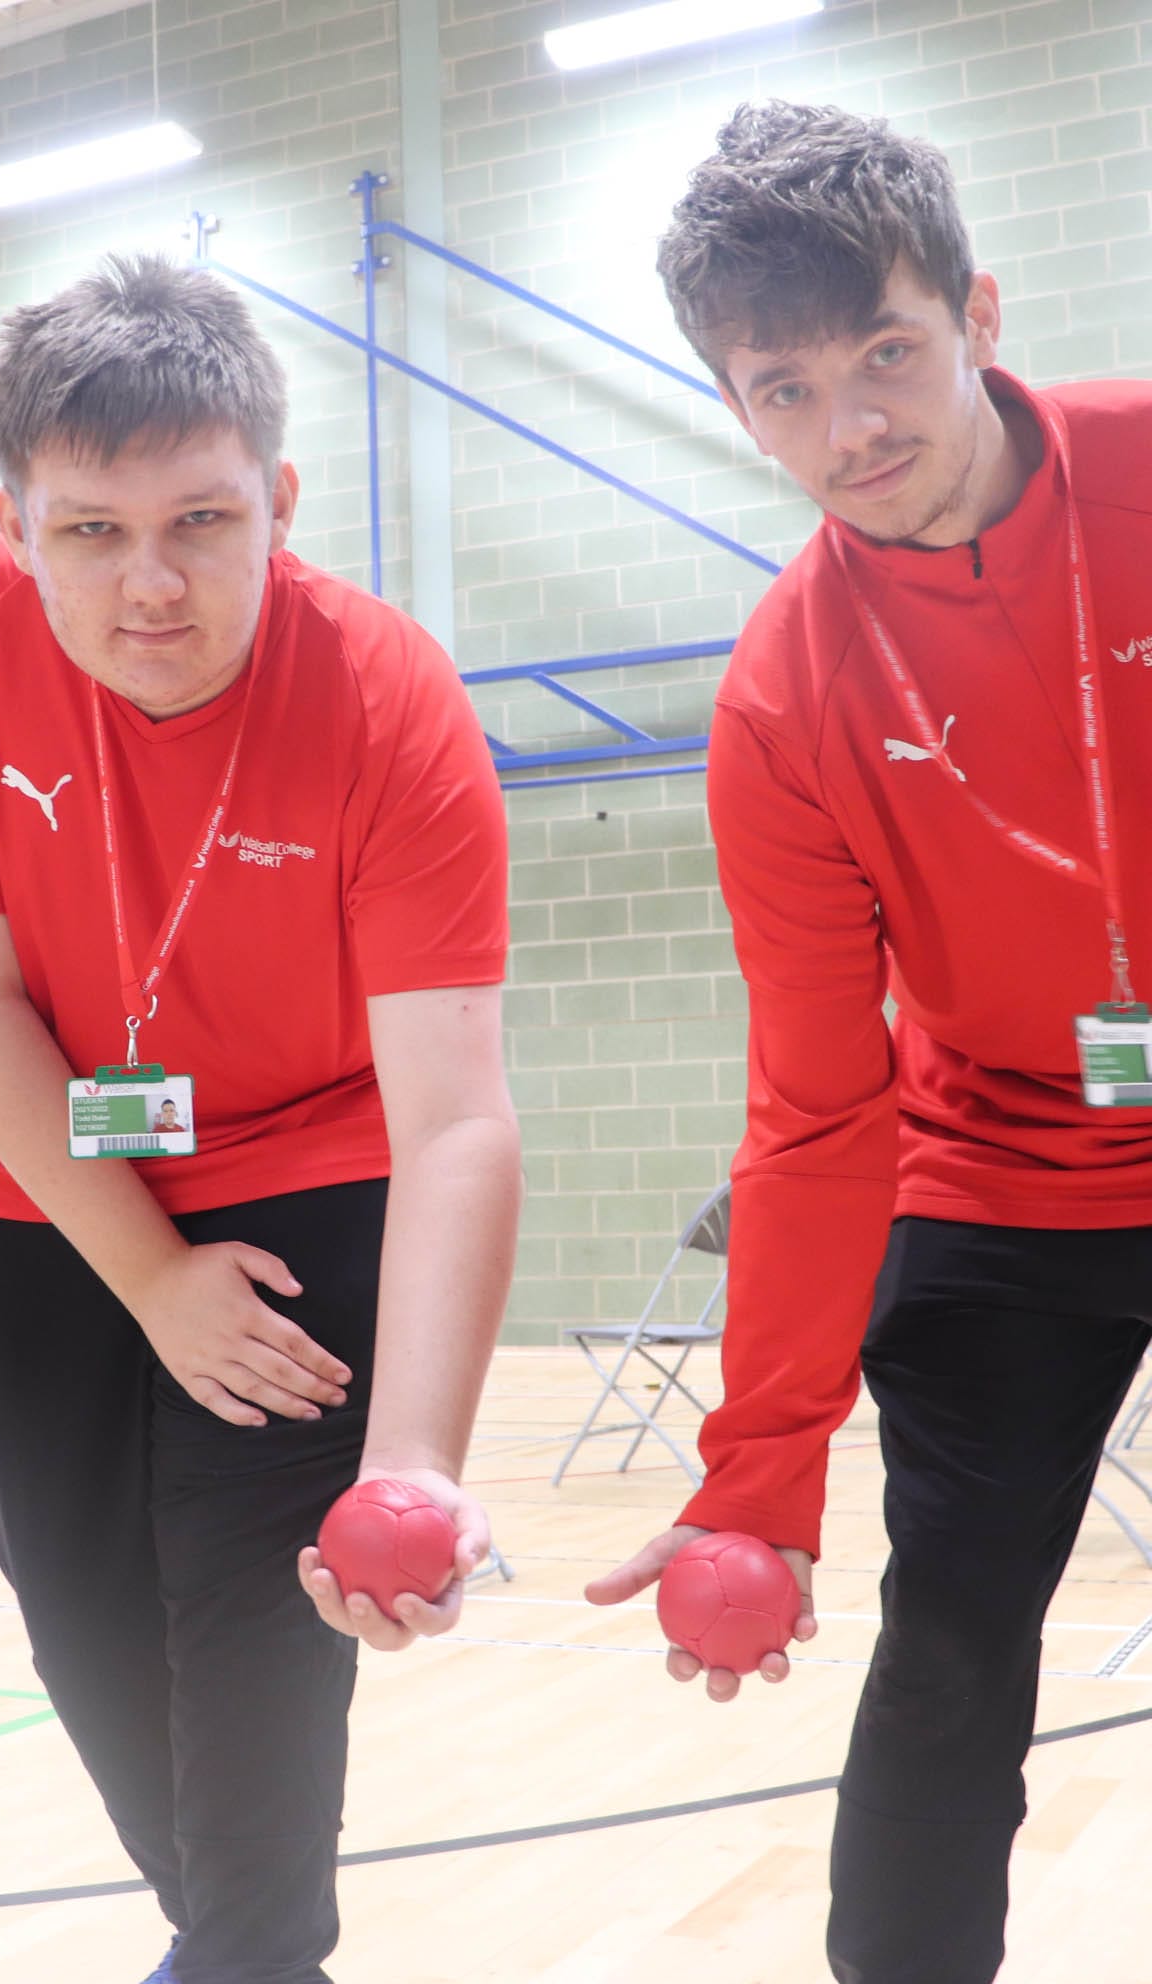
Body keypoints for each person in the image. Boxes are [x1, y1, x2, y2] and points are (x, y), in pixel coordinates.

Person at [0, 256, 521, 1984]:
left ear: (281, 502)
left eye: (202, 522)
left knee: (247, 1642)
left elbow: (453, 1119)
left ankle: (252, 1946)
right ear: (14, 524)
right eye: (90, 531)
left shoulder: (388, 698)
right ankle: (236, 1935)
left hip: (311, 1189)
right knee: (79, 1624)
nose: (150, 585)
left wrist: (414, 1459)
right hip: (64, 1189)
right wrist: (150, 1278)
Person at [587, 102, 1152, 1980]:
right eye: (787, 391)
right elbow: (819, 1109)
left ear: (977, 310)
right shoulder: (782, 699)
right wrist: (759, 1468)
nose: (853, 431)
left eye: (887, 355)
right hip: (997, 1177)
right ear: (737, 406)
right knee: (952, 1654)